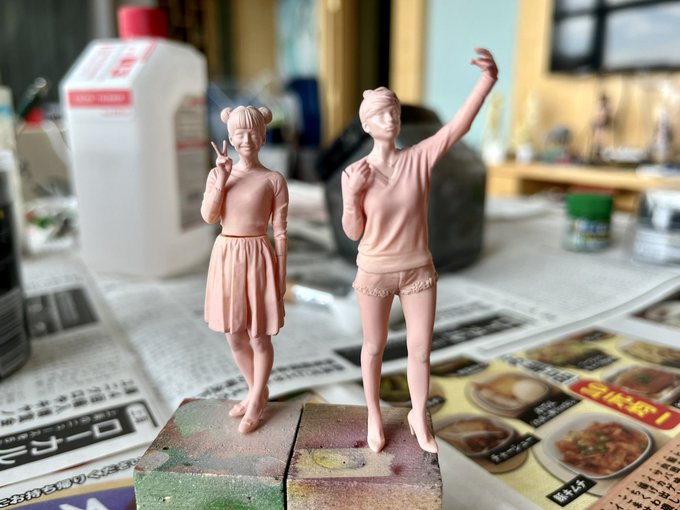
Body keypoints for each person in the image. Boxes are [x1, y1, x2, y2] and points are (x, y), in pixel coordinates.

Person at [341, 48, 497, 453]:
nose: (390, 120)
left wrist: (487, 81)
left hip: (418, 271)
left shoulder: (419, 158)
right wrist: (352, 196)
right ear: (366, 125)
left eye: (393, 112)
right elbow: (353, 231)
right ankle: (374, 415)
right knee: (373, 347)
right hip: (375, 271)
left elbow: (458, 127)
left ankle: (417, 413)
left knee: (421, 351)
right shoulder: (355, 173)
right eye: (381, 115)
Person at [201, 105, 288, 434]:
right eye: (239, 133)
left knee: (259, 336)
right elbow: (209, 216)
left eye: (253, 133)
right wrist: (221, 178)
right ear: (230, 136)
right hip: (226, 254)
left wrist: (281, 275)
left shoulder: (273, 180)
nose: (246, 139)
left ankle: (255, 402)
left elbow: (280, 232)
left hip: (259, 254)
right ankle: (256, 392)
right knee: (234, 335)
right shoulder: (218, 174)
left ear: (263, 136)